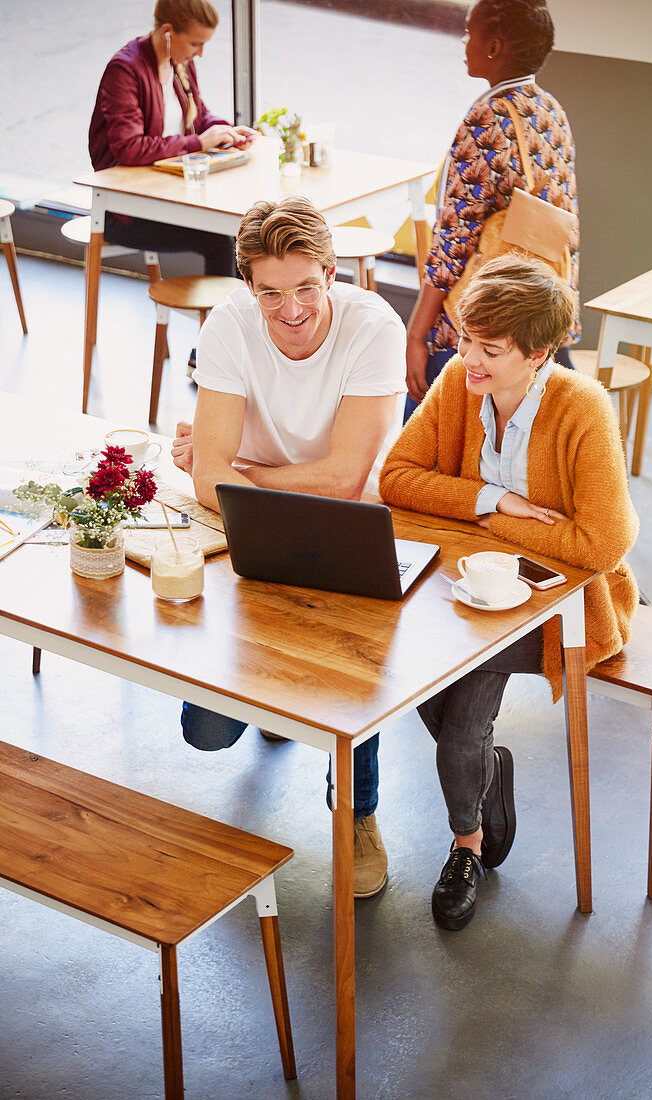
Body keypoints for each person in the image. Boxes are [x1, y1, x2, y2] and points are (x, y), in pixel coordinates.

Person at [380, 255, 638, 929]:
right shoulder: (456, 386)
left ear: (538, 353)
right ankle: (486, 772)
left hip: (560, 605)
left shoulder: (581, 407)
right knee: (406, 670)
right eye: (465, 340)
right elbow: (397, 478)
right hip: (462, 590)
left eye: (489, 349)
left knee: (459, 721)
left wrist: (484, 523)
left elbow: (602, 543)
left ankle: (466, 845)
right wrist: (498, 502)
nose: (467, 359)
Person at [172, 196, 407, 897]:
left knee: (349, 670)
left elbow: (344, 479)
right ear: (248, 284)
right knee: (206, 734)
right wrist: (230, 478)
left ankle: (358, 813)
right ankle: (276, 704)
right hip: (245, 519)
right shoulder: (229, 324)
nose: (292, 309)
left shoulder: (374, 327)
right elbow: (208, 473)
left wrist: (243, 474)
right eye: (270, 292)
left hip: (348, 522)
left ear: (331, 273)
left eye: (307, 287)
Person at [404, 0, 580, 420]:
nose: (464, 43)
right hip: (535, 312)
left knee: (426, 440)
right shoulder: (550, 110)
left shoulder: (488, 117)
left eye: (470, 33)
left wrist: (416, 333)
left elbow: (453, 241)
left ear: (495, 47)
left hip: (479, 320)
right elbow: (563, 223)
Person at [89, 0, 257, 277]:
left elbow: (198, 117)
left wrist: (226, 131)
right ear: (168, 32)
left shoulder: (179, 62)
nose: (200, 53)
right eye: (195, 44)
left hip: (168, 195)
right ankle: (223, 320)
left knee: (247, 231)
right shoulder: (124, 70)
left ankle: (244, 319)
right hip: (125, 211)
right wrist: (201, 142)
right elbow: (130, 149)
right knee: (223, 240)